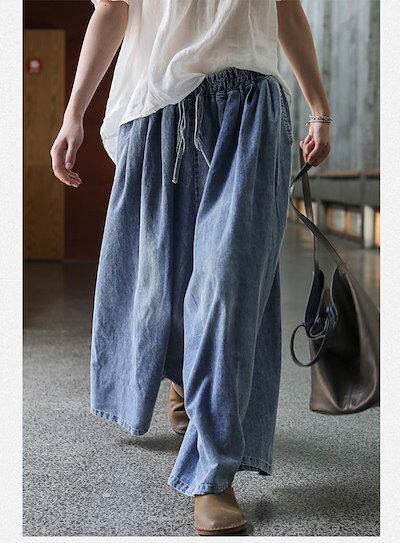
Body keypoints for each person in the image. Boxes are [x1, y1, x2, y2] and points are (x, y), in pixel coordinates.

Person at [51, 0, 331, 536]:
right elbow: (111, 10)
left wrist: (319, 108)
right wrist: (73, 114)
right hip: (160, 108)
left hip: (250, 108)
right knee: (163, 282)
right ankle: (184, 379)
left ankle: (212, 473)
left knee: (227, 286)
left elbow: (288, 11)